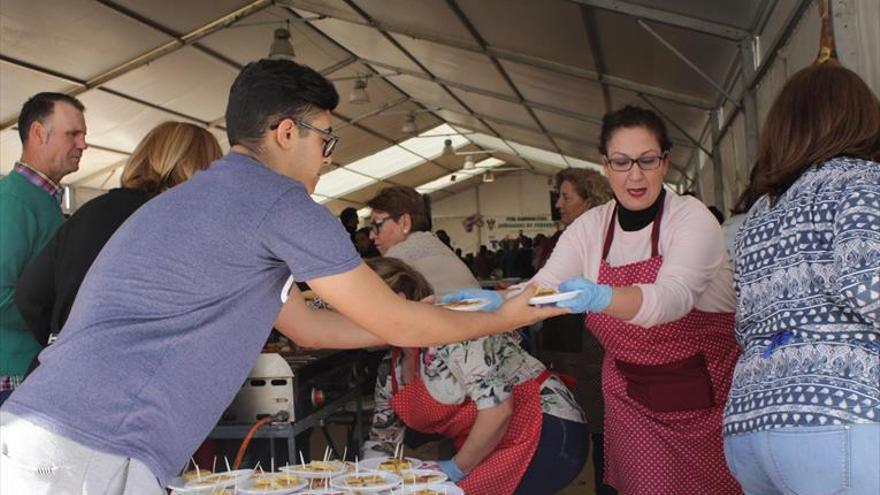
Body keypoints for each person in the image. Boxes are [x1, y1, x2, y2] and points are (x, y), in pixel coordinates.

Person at [0, 59, 563, 495]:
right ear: (287, 132)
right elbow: (395, 318)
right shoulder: (281, 205)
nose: (329, 158)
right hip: (91, 448)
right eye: (327, 139)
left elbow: (310, 328)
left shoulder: (205, 197)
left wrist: (436, 317)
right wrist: (504, 313)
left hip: (41, 430)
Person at [446, 105, 741, 494]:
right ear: (605, 166)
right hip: (633, 402)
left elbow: (674, 298)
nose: (634, 175)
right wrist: (498, 302)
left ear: (665, 162)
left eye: (647, 160)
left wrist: (603, 297)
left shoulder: (690, 219)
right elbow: (543, 289)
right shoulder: (591, 226)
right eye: (621, 162)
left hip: (708, 400)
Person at [723, 63, 880, 495]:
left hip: (752, 422)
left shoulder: (759, 216)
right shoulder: (863, 183)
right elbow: (870, 286)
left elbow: (745, 325)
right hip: (843, 418)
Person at [363, 257, 588, 495]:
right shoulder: (391, 369)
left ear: (398, 300)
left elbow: (498, 409)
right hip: (487, 444)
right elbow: (383, 441)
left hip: (544, 429)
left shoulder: (449, 331)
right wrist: (369, 480)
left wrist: (456, 469)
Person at [15, 121, 222, 374]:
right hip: (129, 382)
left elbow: (30, 294)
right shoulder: (182, 224)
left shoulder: (93, 210)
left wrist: (66, 334)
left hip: (54, 376)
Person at [0, 93, 87, 406]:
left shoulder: (42, 202)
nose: (83, 144)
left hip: (30, 373)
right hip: (13, 378)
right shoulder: (13, 201)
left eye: (84, 135)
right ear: (38, 133)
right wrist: (62, 321)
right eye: (73, 134)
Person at [536, 167, 617, 495]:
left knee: (599, 429)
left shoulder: (593, 237)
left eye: (566, 197)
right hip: (570, 345)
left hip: (587, 348)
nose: (558, 204)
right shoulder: (575, 234)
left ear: (590, 199)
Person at [367, 186, 477, 296]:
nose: (371, 235)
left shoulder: (398, 258)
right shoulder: (437, 247)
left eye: (377, 225)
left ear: (404, 222)